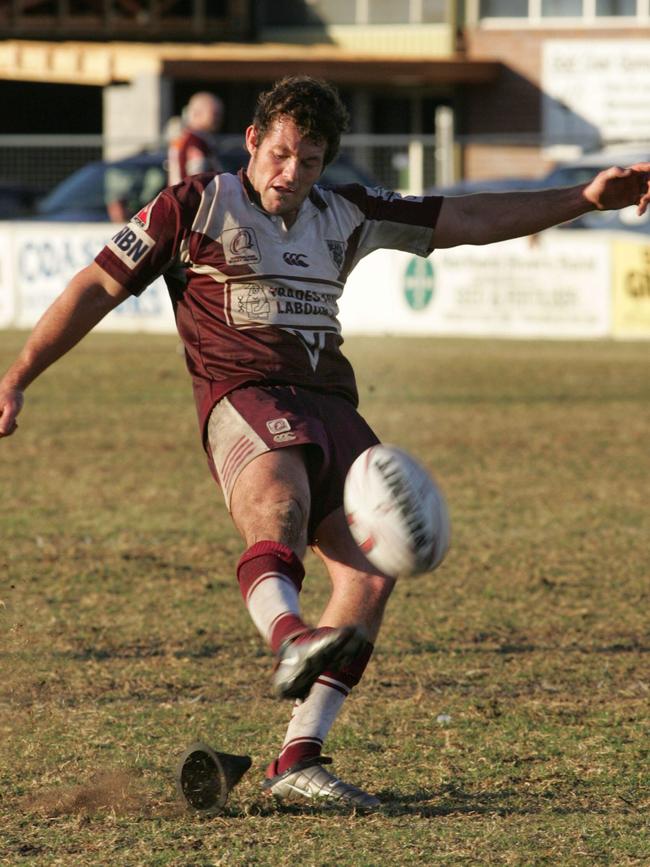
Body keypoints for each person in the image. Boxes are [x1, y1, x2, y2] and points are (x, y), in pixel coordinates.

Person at [1, 76, 649, 811]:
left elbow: (465, 215)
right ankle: (288, 636)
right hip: (244, 394)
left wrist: (586, 199)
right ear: (252, 140)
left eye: (308, 162)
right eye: (279, 155)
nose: (290, 175)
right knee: (278, 504)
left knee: (370, 574)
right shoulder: (193, 207)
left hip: (333, 405)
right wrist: (20, 373)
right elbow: (96, 285)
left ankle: (298, 756)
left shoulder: (346, 210)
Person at [167, 91, 224, 185]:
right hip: (192, 198)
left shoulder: (185, 138)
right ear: (197, 113)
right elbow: (198, 179)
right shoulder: (195, 142)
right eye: (214, 114)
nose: (218, 119)